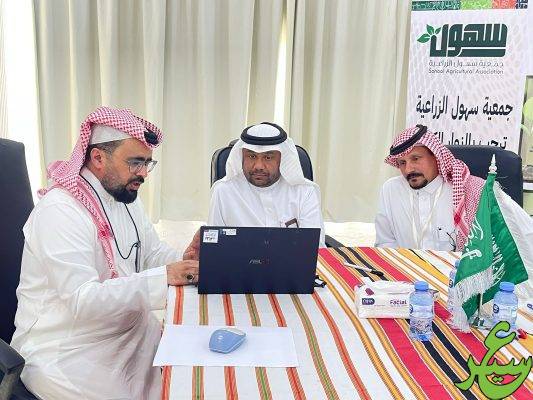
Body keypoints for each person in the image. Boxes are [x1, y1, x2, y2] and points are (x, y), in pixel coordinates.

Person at [11, 107, 198, 399]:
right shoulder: (61, 211)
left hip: (129, 334)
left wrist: (184, 261)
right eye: (135, 162)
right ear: (98, 158)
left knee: (196, 371)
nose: (143, 173)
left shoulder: (124, 196)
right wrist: (165, 277)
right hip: (70, 350)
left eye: (147, 163)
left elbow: (149, 253)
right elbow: (83, 301)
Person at [184, 122, 325, 259]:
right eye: (251, 156)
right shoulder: (223, 191)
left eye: (268, 157)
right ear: (242, 156)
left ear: (282, 159)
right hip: (238, 268)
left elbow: (315, 249)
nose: (258, 166)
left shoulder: (305, 191)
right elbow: (216, 247)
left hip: (291, 267)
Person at [376, 124, 522, 251]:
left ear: (436, 156)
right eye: (402, 163)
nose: (408, 169)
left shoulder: (473, 190)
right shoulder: (391, 190)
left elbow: (521, 233)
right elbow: (385, 243)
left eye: (416, 158)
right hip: (407, 270)